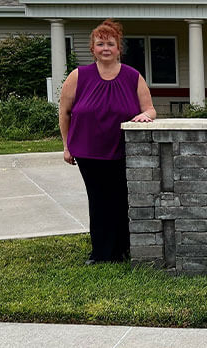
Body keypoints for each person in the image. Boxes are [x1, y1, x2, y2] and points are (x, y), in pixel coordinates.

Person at [59, 19, 156, 264]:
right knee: (98, 200)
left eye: (110, 44)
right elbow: (65, 112)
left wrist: (145, 115)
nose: (105, 48)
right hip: (88, 151)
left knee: (121, 199)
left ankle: (122, 250)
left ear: (118, 48)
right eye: (100, 44)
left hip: (123, 150)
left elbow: (150, 109)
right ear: (92, 49)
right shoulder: (78, 76)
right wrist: (67, 146)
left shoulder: (133, 76)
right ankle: (101, 253)